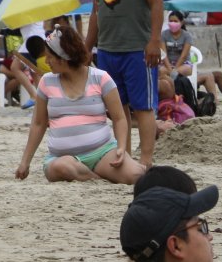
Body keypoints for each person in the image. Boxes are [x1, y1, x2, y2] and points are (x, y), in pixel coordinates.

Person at [82, 0, 164, 166]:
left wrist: (153, 42)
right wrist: (87, 47)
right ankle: (125, 157)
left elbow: (157, 4)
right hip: (107, 50)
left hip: (137, 50)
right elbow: (96, 11)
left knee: (143, 108)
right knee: (118, 109)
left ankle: (146, 161)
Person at [16, 28, 146, 184]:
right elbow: (38, 123)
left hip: (102, 152)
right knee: (63, 168)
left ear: (63, 58)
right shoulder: (46, 82)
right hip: (61, 158)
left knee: (136, 175)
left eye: (50, 57)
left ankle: (91, 173)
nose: (46, 61)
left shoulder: (101, 78)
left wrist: (121, 148)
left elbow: (119, 118)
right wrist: (25, 162)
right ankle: (96, 178)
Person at [161, 11, 194, 80]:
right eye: (171, 21)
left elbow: (183, 56)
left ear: (181, 23)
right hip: (167, 64)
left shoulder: (187, 36)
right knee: (160, 71)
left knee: (186, 69)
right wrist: (170, 69)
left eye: (175, 21)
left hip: (182, 64)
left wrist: (175, 69)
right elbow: (164, 54)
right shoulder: (163, 35)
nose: (173, 23)